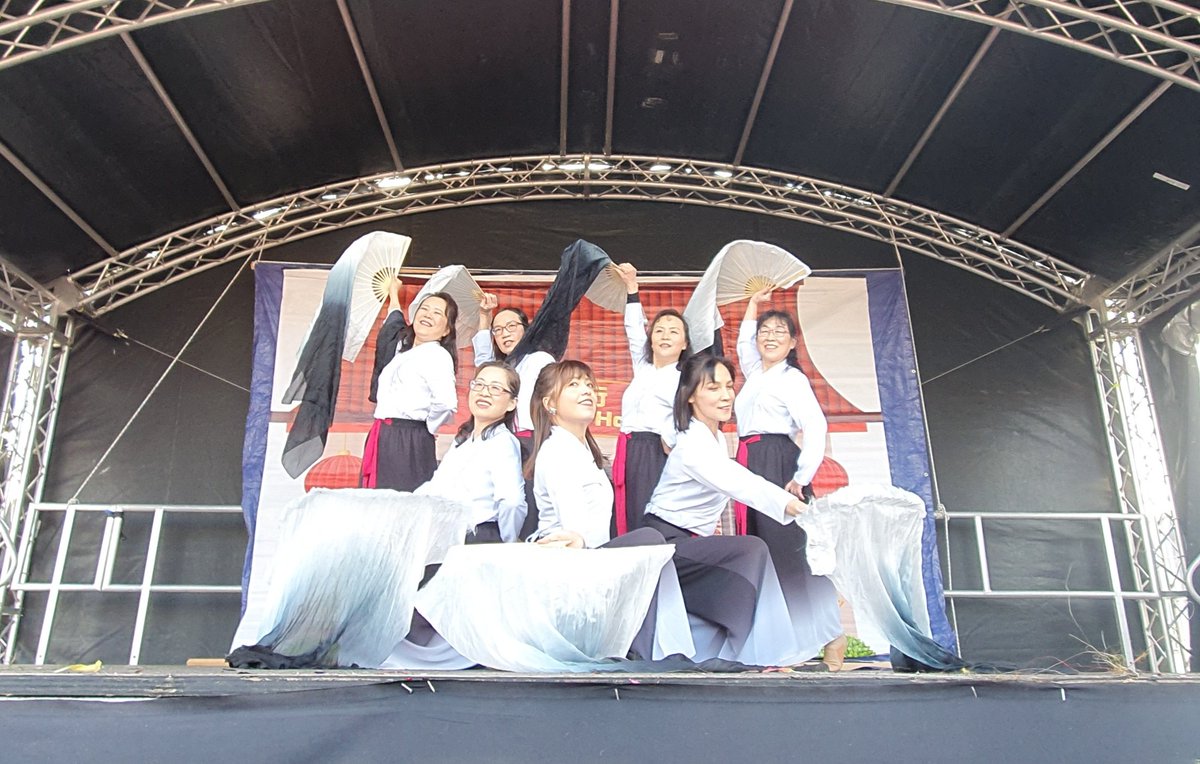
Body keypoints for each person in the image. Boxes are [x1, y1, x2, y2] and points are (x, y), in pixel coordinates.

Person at [642, 353, 810, 666]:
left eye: (729, 386)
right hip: (666, 544)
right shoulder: (693, 442)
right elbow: (740, 482)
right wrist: (795, 507)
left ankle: (753, 649)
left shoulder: (715, 437)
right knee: (750, 550)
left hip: (689, 542)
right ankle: (762, 651)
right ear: (691, 395)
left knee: (747, 553)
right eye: (713, 388)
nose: (725, 395)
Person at [734, 287, 846, 668]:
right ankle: (779, 639)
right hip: (749, 460)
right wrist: (753, 305)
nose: (770, 336)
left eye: (780, 331)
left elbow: (815, 425)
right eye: (766, 331)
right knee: (759, 549)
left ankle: (827, 635)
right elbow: (743, 343)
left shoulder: (792, 379)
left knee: (789, 551)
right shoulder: (754, 374)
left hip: (777, 462)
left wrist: (801, 476)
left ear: (793, 342)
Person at [612, 263, 692, 535]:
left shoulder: (685, 378)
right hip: (628, 448)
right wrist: (632, 288)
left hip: (655, 451)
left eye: (673, 331)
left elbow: (690, 420)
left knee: (647, 518)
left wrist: (670, 439)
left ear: (684, 344)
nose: (665, 335)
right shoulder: (643, 367)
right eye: (659, 330)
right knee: (626, 513)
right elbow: (634, 330)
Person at [362, 277, 458, 491]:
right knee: (377, 505)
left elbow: (446, 403)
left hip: (407, 439)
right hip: (383, 435)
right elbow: (393, 323)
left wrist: (426, 428)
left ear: (446, 330)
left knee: (400, 506)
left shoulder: (438, 355)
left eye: (437, 313)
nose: (428, 314)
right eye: (424, 308)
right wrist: (393, 293)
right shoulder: (402, 351)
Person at [416, 361, 526, 543]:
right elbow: (436, 486)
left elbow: (512, 501)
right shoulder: (463, 439)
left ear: (511, 403)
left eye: (496, 388)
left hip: (477, 538)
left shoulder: (503, 442)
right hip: (446, 536)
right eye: (479, 384)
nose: (484, 392)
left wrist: (509, 541)